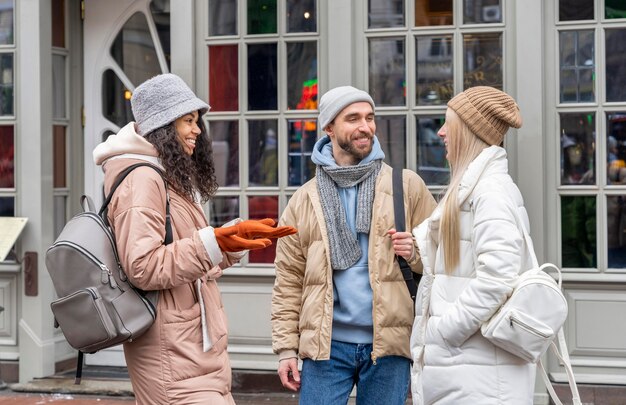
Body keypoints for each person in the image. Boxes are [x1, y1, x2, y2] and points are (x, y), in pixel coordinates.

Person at [93, 73, 296, 404]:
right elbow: (142, 266)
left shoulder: (165, 176)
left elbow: (186, 260)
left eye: (196, 120)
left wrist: (228, 244)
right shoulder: (142, 179)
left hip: (193, 348)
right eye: (188, 120)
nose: (197, 130)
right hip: (172, 355)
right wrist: (214, 242)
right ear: (162, 126)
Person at [271, 86, 437, 405]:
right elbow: (288, 280)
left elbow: (443, 258)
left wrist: (415, 253)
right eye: (353, 118)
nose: (365, 126)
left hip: (389, 344)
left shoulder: (406, 186)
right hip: (325, 348)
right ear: (329, 128)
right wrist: (286, 350)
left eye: (370, 117)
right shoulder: (304, 199)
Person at [409, 86, 537, 404]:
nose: (440, 132)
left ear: (468, 131)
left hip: (477, 373)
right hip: (469, 370)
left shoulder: (489, 192)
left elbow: (497, 278)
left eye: (447, 123)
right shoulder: (474, 188)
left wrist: (446, 333)